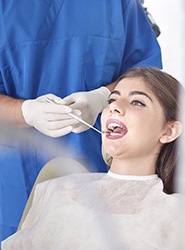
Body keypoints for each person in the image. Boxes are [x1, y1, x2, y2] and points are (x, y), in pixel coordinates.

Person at [0, 0, 162, 241]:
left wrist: (103, 96)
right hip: (13, 178)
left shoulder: (117, 5)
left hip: (100, 167)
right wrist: (24, 112)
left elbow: (149, 78)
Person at [1, 67, 183, 249]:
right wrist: (24, 111)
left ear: (169, 131)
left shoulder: (181, 214)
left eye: (137, 102)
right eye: (112, 99)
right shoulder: (58, 190)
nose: (114, 107)